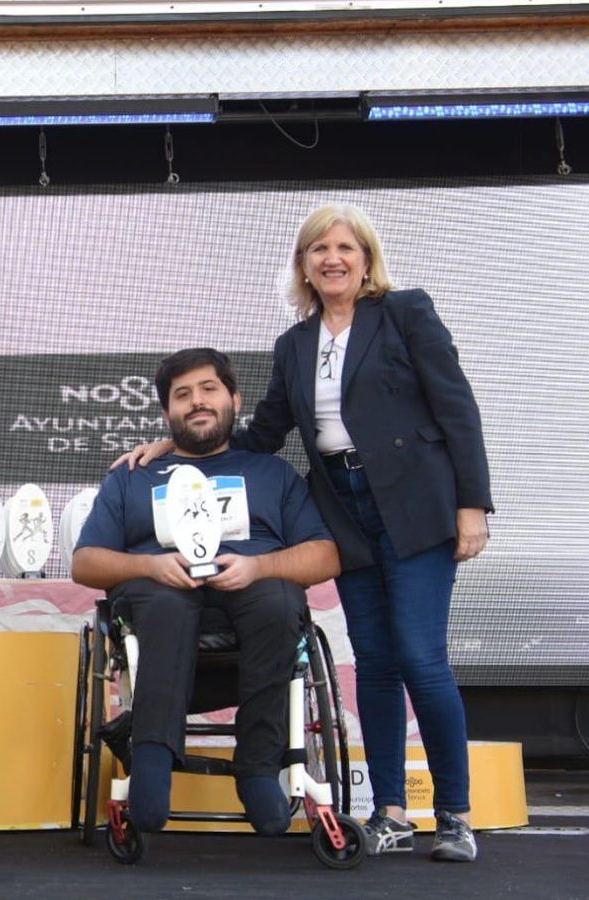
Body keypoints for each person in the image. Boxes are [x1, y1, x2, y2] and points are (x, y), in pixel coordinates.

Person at [118, 204, 491, 861]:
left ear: (366, 258)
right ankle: (391, 812)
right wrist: (174, 445)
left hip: (416, 506)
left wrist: (472, 505)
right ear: (304, 266)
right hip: (345, 512)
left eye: (344, 247)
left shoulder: (406, 312)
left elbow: (456, 406)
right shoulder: (295, 344)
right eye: (318, 249)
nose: (332, 259)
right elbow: (263, 433)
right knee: (375, 663)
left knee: (419, 656)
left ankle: (455, 815)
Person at [75, 348, 340, 837]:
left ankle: (258, 767)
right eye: (182, 395)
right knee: (165, 603)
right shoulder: (132, 476)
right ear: (167, 413)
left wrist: (259, 566)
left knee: (279, 599)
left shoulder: (272, 472)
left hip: (253, 593)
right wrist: (150, 565)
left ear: (234, 401)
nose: (196, 401)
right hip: (159, 598)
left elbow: (325, 556)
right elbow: (85, 562)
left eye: (208, 389)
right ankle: (152, 762)